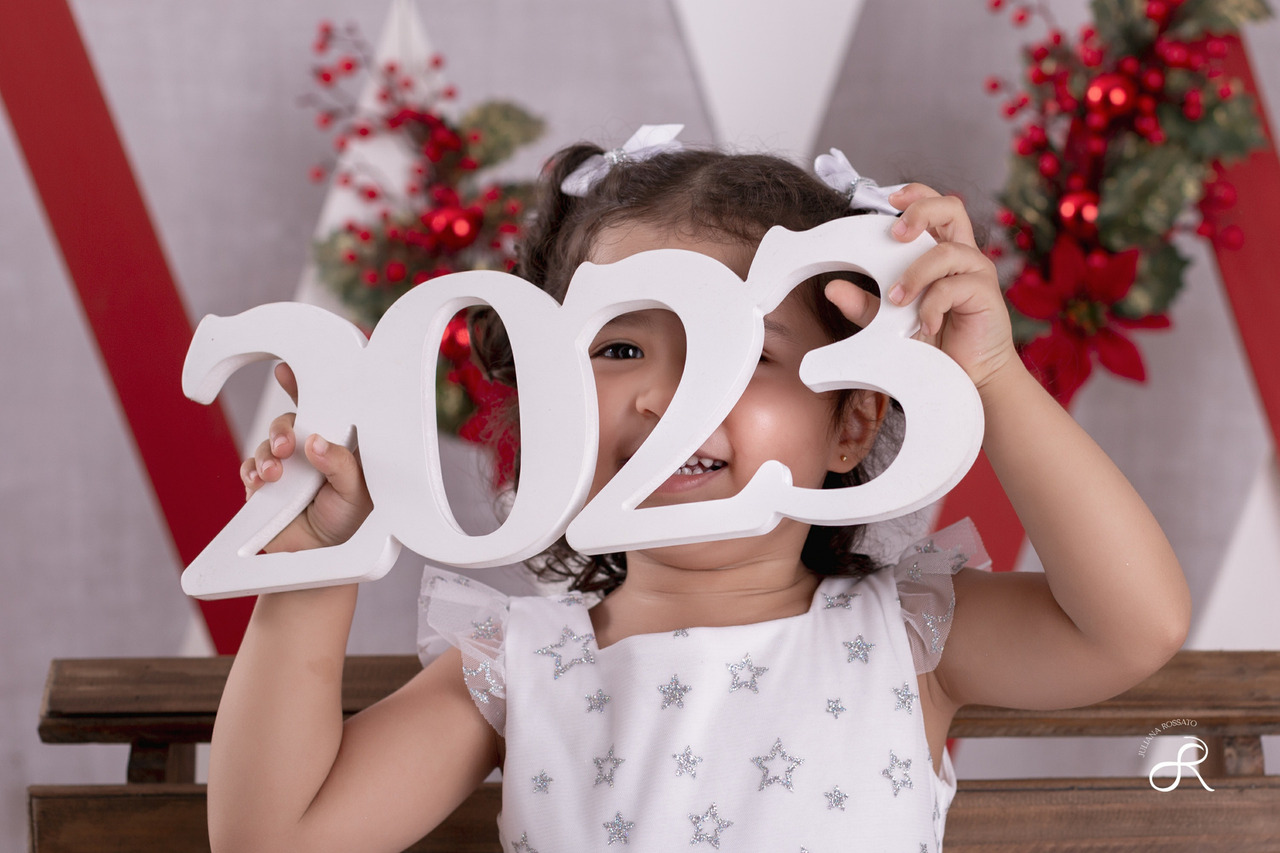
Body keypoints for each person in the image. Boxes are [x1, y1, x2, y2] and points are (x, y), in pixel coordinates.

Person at [211, 129, 1191, 853]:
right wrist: (311, 557)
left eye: (748, 354)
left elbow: (1130, 627)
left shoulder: (905, 636)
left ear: (850, 421)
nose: (670, 394)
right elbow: (276, 840)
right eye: (621, 346)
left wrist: (987, 376)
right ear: (552, 402)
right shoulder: (521, 667)